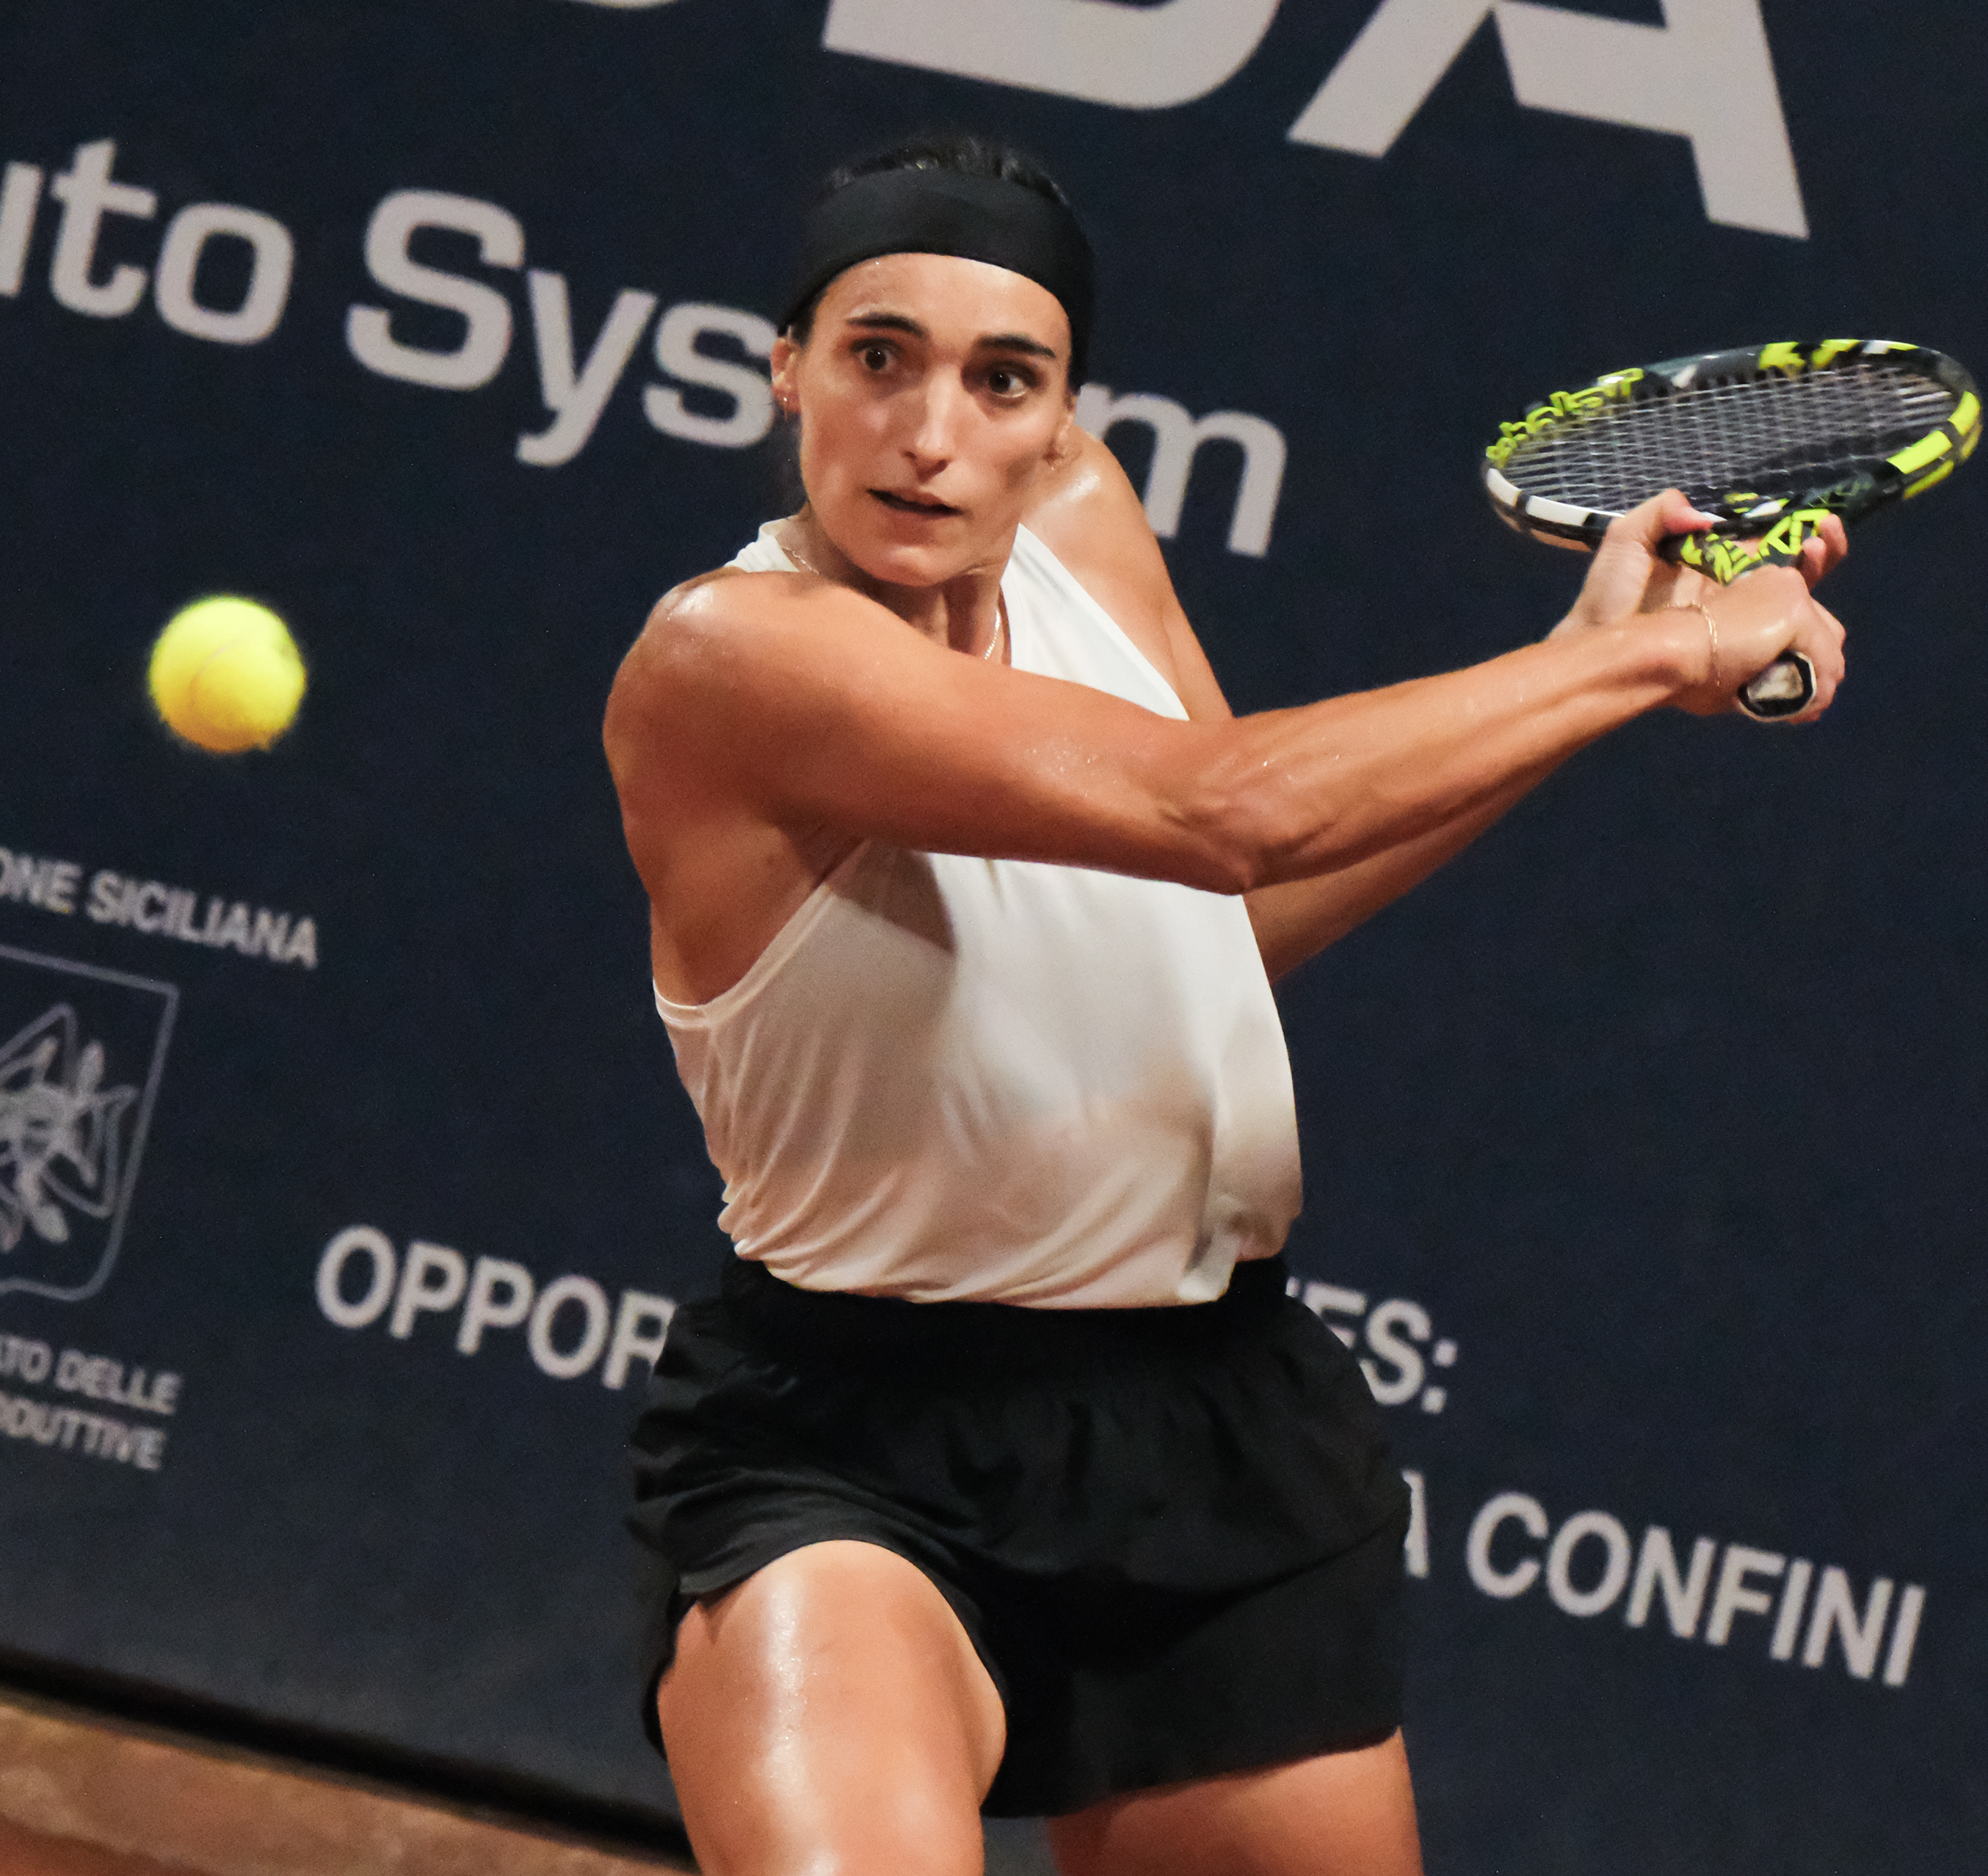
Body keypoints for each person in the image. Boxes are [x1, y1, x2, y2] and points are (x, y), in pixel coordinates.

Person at [603, 134, 1846, 1876]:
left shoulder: (1083, 527)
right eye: (878, 357)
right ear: (784, 370)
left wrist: (1589, 677)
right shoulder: (735, 656)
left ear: (1061, 419)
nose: (934, 430)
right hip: (853, 1452)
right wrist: (1640, 656)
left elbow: (1229, 911)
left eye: (1004, 380)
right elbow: (1227, 804)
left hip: (1207, 1429)